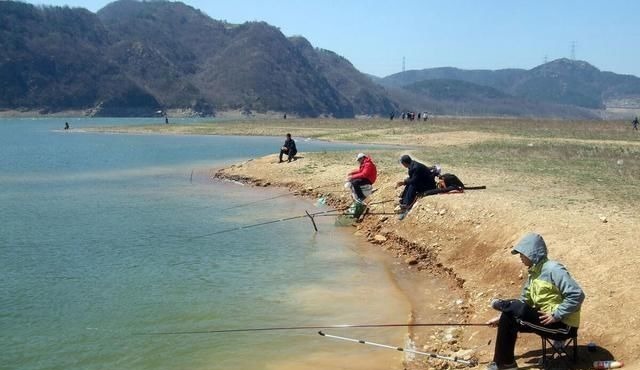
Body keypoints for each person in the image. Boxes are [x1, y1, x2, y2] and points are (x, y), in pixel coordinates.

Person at [485, 232, 585, 370]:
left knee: (514, 307)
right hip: (545, 320)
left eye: (522, 253)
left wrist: (557, 315)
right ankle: (505, 364)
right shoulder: (533, 274)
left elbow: (577, 295)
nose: (520, 257)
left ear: (532, 253)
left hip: (562, 326)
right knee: (508, 316)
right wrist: (500, 318)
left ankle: (501, 304)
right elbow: (524, 302)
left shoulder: (553, 269)